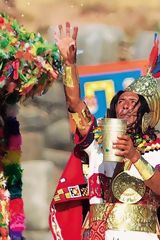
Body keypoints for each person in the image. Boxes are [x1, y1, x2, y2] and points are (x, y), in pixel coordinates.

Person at [49, 22, 160, 240]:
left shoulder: (156, 149)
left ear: (148, 112)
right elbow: (74, 103)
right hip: (100, 233)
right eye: (121, 101)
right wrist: (69, 63)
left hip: (143, 235)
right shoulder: (96, 140)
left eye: (133, 102)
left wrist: (134, 156)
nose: (125, 106)